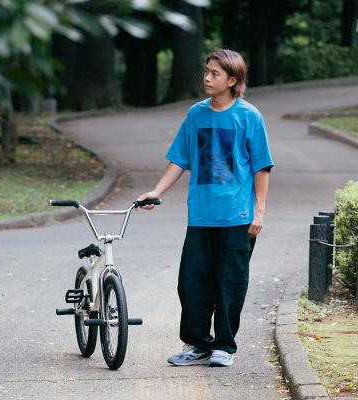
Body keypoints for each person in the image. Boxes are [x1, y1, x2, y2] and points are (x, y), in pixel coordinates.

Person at [137, 48, 274, 367]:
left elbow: (261, 167)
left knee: (230, 284)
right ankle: (197, 344)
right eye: (206, 71)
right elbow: (179, 159)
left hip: (237, 217)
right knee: (192, 283)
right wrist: (156, 191)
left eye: (215, 73)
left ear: (232, 80)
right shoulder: (195, 114)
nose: (207, 78)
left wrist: (259, 211)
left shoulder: (249, 116)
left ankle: (224, 346)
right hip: (200, 216)